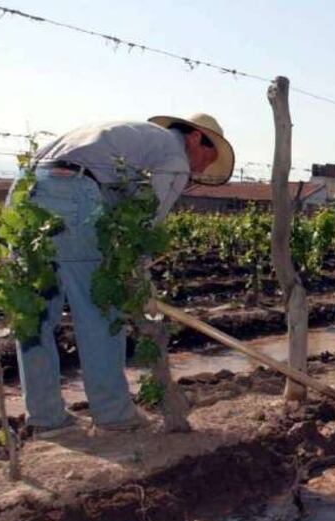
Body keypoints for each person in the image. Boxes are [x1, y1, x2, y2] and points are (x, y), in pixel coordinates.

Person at [12, 114, 234, 433]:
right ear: (196, 138)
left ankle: (46, 417)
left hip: (26, 192)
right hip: (74, 195)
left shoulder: (134, 138)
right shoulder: (174, 155)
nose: (199, 170)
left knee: (35, 316)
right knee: (100, 309)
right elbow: (148, 217)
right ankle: (113, 413)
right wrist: (134, 271)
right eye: (206, 159)